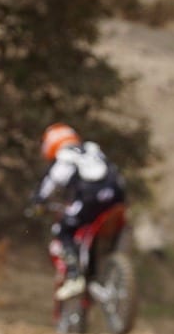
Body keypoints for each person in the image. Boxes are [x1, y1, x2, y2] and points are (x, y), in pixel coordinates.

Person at [30, 124, 127, 301]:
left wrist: (38, 201)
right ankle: (103, 264)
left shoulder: (65, 155)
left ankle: (75, 276)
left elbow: (54, 181)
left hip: (91, 200)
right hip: (116, 196)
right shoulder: (92, 148)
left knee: (63, 230)